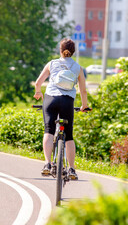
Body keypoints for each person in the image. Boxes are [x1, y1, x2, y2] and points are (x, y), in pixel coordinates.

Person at [33, 38, 89, 180]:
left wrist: (38, 92)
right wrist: (84, 106)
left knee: (49, 130)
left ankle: (47, 164)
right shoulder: (78, 68)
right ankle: (71, 169)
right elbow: (83, 91)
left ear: (60, 50)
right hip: (67, 101)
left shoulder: (52, 64)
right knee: (68, 136)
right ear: (73, 52)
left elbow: (38, 82)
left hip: (51, 98)